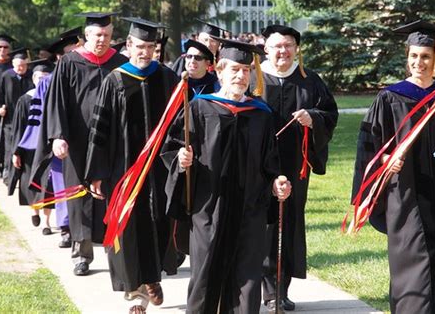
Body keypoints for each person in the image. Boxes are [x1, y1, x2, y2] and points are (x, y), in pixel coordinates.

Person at [161, 38, 292, 314]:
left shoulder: (261, 115)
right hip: (209, 209)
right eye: (234, 69)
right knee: (206, 277)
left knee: (247, 282)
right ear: (218, 72)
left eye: (246, 70)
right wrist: (182, 162)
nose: (241, 76)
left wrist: (277, 183)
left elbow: (271, 164)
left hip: (250, 210)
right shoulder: (199, 108)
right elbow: (173, 151)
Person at [352, 20, 435, 314]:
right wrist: (387, 162)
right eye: (414, 56)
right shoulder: (390, 98)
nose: (419, 63)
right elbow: (370, 150)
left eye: (426, 56)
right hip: (404, 193)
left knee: (429, 262)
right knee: (415, 261)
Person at [85, 17, 179, 312]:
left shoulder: (166, 78)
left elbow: (180, 124)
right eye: (140, 46)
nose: (145, 52)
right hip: (123, 169)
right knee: (127, 227)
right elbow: (99, 129)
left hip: (160, 169)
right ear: (128, 46)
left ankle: (153, 277)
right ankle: (135, 292)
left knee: (158, 222)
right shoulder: (114, 80)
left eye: (150, 47)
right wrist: (97, 173)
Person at [30, 12, 128, 276]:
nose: (102, 40)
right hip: (77, 140)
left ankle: (114, 250)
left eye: (107, 35)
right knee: (78, 195)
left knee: (110, 193)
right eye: (98, 35)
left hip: (110, 142)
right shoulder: (71, 62)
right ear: (87, 35)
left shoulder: (120, 63)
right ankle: (81, 253)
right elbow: (57, 101)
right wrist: (58, 135)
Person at [252, 24, 338, 312]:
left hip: (295, 167)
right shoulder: (253, 78)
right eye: (277, 45)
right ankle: (266, 288)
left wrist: (312, 117)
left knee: (288, 224)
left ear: (296, 49)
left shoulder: (309, 80)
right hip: (257, 168)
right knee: (262, 223)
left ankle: (282, 287)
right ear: (266, 48)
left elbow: (330, 113)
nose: (283, 51)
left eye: (288, 45)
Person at [23, 27, 83, 248]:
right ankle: (66, 228)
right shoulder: (47, 82)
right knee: (62, 186)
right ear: (59, 57)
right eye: (67, 53)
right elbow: (39, 117)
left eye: (75, 51)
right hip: (60, 143)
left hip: (86, 142)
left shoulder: (86, 73)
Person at [8, 59, 53, 234]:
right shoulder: (25, 99)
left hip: (47, 149)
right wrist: (16, 152)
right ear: (34, 79)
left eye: (46, 78)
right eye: (40, 78)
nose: (43, 81)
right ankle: (35, 211)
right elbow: (19, 128)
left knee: (48, 184)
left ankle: (47, 222)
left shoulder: (53, 99)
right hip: (29, 150)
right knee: (30, 182)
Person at [0, 48, 34, 183]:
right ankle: (9, 175)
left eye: (23, 65)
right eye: (18, 66)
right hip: (10, 120)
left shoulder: (32, 76)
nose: (21, 68)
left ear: (27, 64)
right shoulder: (6, 76)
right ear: (13, 65)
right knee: (10, 147)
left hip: (29, 120)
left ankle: (27, 176)